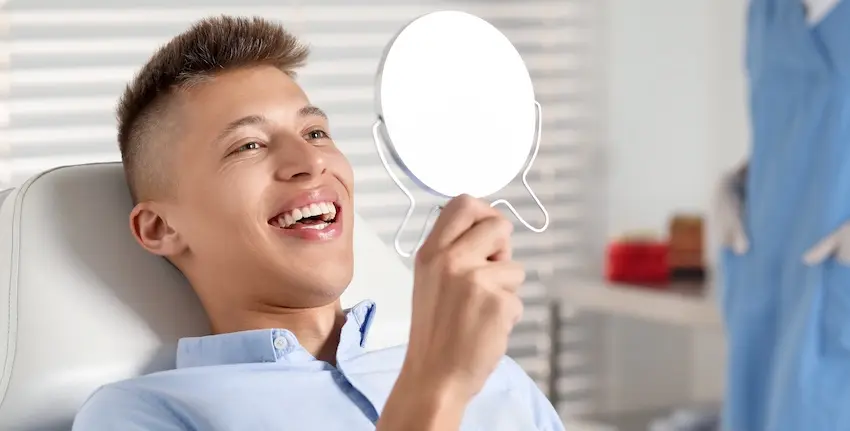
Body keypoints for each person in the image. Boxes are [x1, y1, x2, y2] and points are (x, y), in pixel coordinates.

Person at [70, 15, 564, 431]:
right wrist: (438, 385)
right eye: (249, 145)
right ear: (160, 228)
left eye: (315, 131)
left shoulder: (498, 377)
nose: (309, 160)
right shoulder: (143, 414)